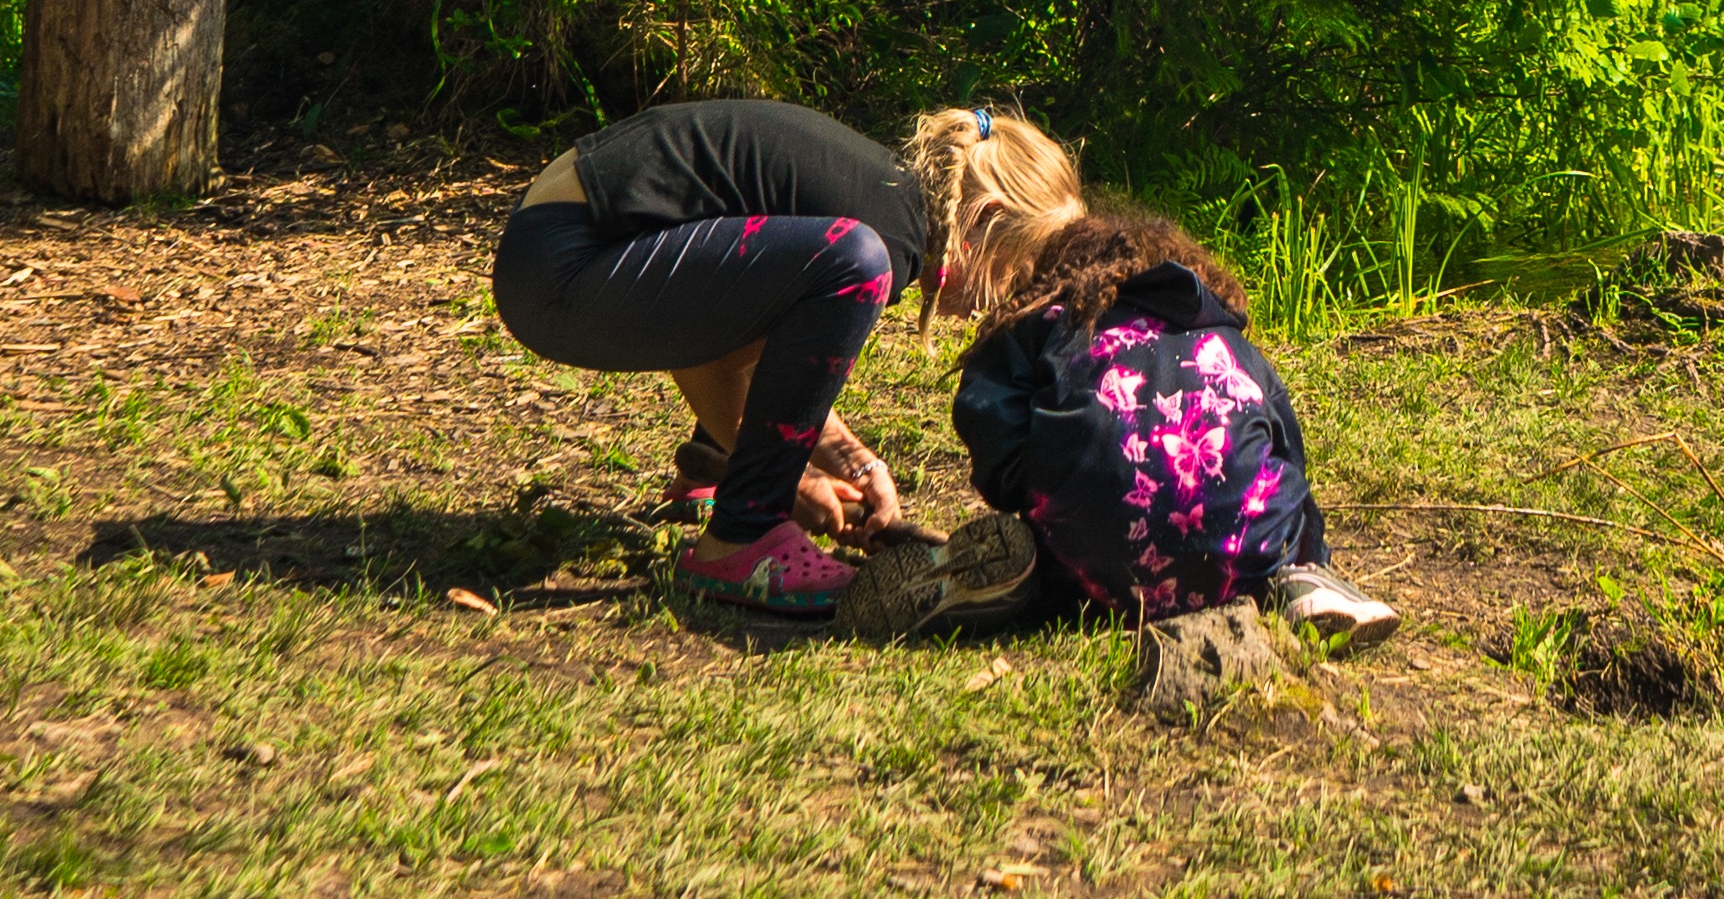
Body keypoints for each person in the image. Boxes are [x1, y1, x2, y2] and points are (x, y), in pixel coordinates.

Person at [490, 95, 1085, 614]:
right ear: (981, 221)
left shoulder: (884, 192)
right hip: (562, 268)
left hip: (551, 254)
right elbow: (733, 342)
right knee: (856, 262)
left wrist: (853, 464)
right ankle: (744, 536)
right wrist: (783, 480)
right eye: (1015, 273)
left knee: (828, 263)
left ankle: (707, 470)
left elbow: (717, 311)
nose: (998, 301)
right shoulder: (890, 233)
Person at [945, 201, 1399, 654]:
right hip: (1241, 551)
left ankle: (1030, 582)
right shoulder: (1228, 343)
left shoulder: (1050, 322)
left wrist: (1024, 492)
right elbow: (1286, 450)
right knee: (1268, 532)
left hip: (1088, 552)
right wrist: (1310, 547)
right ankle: (1301, 581)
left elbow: (989, 423)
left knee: (1069, 552)